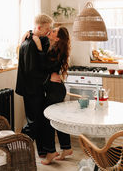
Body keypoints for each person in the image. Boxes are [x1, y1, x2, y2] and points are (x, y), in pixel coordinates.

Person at [32, 26, 73, 165]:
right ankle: (66, 148)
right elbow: (50, 67)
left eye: (54, 31)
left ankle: (50, 152)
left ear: (58, 38)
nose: (51, 31)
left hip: (55, 90)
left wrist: (38, 47)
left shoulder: (57, 49)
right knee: (58, 119)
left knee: (47, 121)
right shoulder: (55, 46)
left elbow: (45, 65)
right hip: (56, 89)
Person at [15, 13, 53, 157]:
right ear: (39, 27)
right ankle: (18, 148)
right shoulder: (30, 44)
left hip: (32, 89)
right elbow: (32, 71)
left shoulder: (32, 39)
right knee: (33, 122)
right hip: (32, 90)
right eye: (47, 29)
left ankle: (42, 151)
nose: (48, 32)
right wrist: (48, 77)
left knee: (39, 120)